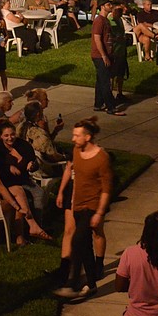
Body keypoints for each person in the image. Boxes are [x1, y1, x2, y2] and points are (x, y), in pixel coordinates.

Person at [55, 117, 112, 299]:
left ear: (87, 137)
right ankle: (92, 284)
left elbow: (106, 189)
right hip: (77, 205)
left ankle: (72, 284)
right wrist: (63, 194)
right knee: (85, 246)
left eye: (76, 135)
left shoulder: (102, 158)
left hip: (92, 206)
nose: (73, 139)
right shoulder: (76, 151)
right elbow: (73, 175)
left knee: (78, 240)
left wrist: (100, 212)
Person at [0, 118, 52, 244]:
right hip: (8, 183)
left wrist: (31, 165)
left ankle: (38, 226)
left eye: (12, 134)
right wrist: (9, 167)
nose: (10, 138)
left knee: (39, 193)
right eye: (6, 135)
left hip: (23, 180)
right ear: (1, 136)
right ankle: (26, 230)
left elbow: (33, 163)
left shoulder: (24, 145)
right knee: (22, 198)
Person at [91, 0, 126, 116]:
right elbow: (97, 39)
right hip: (100, 55)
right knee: (106, 81)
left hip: (107, 54)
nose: (110, 6)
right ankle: (111, 107)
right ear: (102, 6)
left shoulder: (105, 20)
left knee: (100, 80)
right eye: (108, 4)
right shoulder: (99, 21)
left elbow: (107, 37)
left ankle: (98, 104)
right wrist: (104, 56)